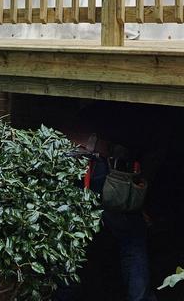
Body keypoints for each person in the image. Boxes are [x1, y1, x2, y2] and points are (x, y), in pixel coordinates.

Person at [56, 105, 160, 301]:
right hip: (103, 168)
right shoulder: (134, 113)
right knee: (132, 239)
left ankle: (64, 295)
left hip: (75, 160)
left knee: (70, 237)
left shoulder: (91, 109)